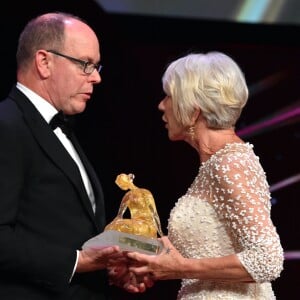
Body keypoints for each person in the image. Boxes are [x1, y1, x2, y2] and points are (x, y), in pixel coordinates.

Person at [0, 12, 145, 299]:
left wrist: (109, 268)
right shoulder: (6, 125)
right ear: (44, 62)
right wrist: (77, 262)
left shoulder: (60, 126)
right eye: (85, 65)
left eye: (96, 66)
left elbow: (67, 228)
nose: (97, 77)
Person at [124, 52, 284, 299]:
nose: (161, 105)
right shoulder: (215, 164)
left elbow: (267, 259)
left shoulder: (231, 163)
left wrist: (180, 268)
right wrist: (141, 257)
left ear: (193, 110)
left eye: (169, 96)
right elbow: (210, 244)